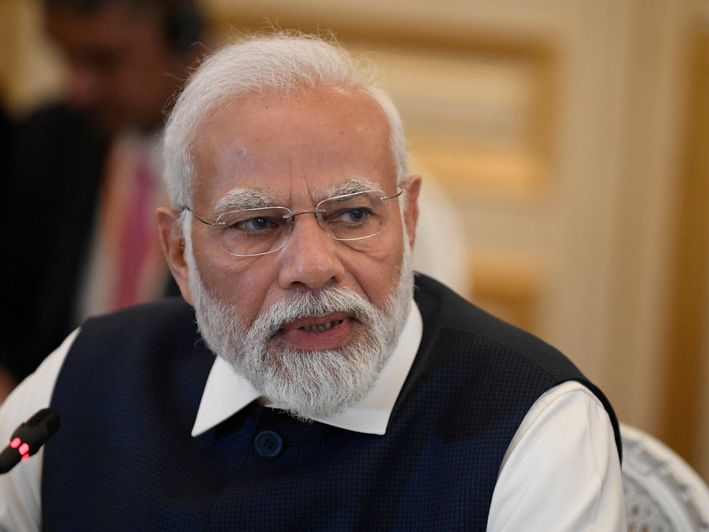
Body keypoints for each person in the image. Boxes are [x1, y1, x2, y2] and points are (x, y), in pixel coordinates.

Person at [0, 34, 625, 530]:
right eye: (257, 223)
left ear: (406, 219)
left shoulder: (534, 426)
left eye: (352, 214)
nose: (312, 266)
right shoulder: (88, 378)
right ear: (180, 253)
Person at [0, 0, 207, 387]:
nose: (79, 88)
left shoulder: (248, 163)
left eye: (104, 61)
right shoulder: (45, 141)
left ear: (183, 38)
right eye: (68, 58)